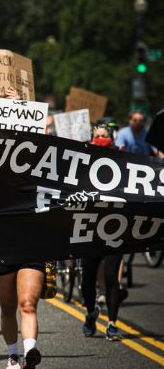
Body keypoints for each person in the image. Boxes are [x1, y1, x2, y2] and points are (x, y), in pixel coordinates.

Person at [83, 124, 126, 341]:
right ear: (91, 140)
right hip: (88, 228)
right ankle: (91, 312)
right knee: (87, 281)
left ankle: (112, 324)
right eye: (97, 137)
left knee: (111, 276)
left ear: (112, 140)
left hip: (114, 227)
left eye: (104, 137)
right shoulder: (81, 161)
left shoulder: (123, 162)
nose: (101, 139)